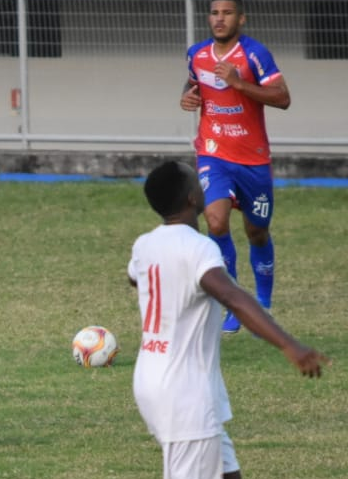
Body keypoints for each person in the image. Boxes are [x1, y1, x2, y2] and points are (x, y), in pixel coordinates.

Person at [128, 160, 329, 479]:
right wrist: (289, 345)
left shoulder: (145, 245)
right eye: (197, 181)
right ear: (192, 199)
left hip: (152, 380)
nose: (203, 184)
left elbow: (136, 278)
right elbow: (231, 296)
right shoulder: (198, 248)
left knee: (226, 471)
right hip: (184, 391)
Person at [180, 0, 291, 333]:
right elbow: (194, 82)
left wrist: (239, 84)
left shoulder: (255, 54)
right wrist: (187, 96)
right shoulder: (196, 54)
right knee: (215, 222)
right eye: (215, 12)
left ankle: (263, 303)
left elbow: (283, 98)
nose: (219, 18)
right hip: (213, 152)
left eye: (227, 13)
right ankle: (232, 303)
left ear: (240, 19)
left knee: (257, 232)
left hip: (253, 159)